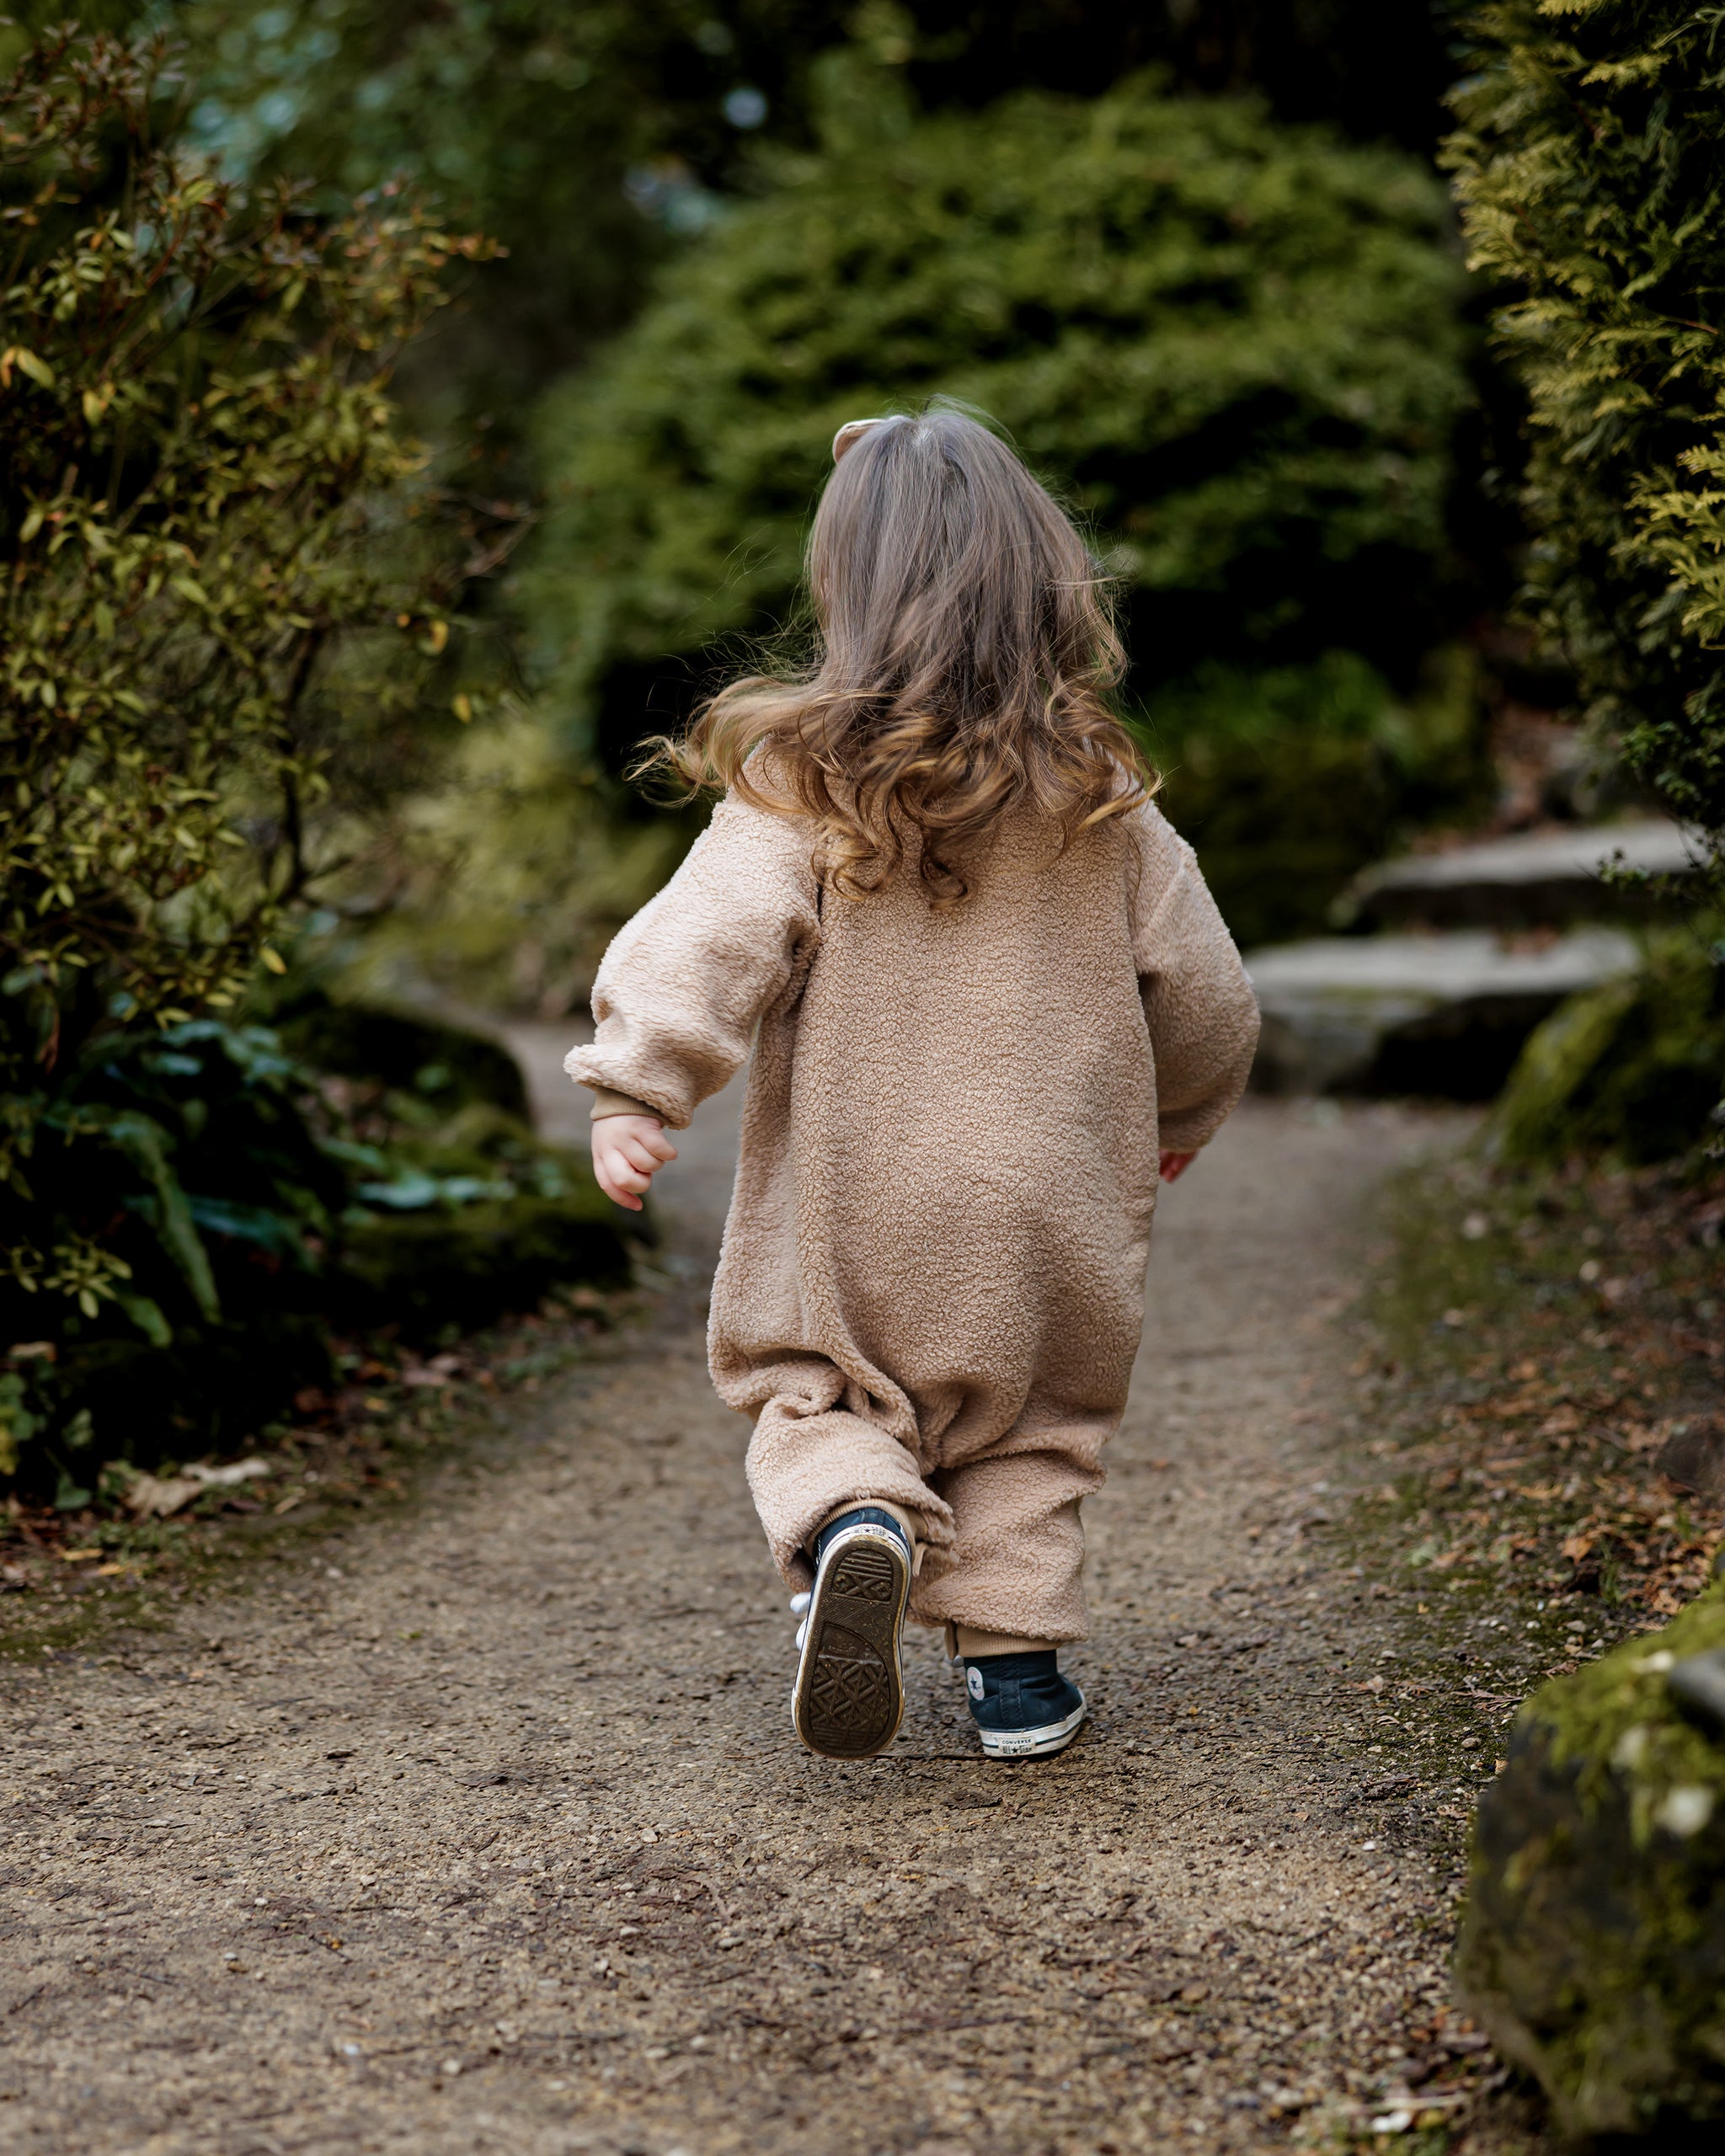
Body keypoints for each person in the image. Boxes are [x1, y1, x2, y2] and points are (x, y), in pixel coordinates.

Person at [567, 405, 1258, 1764]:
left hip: (856, 1196)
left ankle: (858, 1523)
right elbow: (1209, 990)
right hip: (1046, 1206)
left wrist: (637, 1085)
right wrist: (1180, 1119)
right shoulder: (1100, 790)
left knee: (815, 1388)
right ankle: (1020, 1686)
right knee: (1033, 1427)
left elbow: (708, 933)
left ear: (847, 588)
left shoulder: (802, 779)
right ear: (1041, 580)